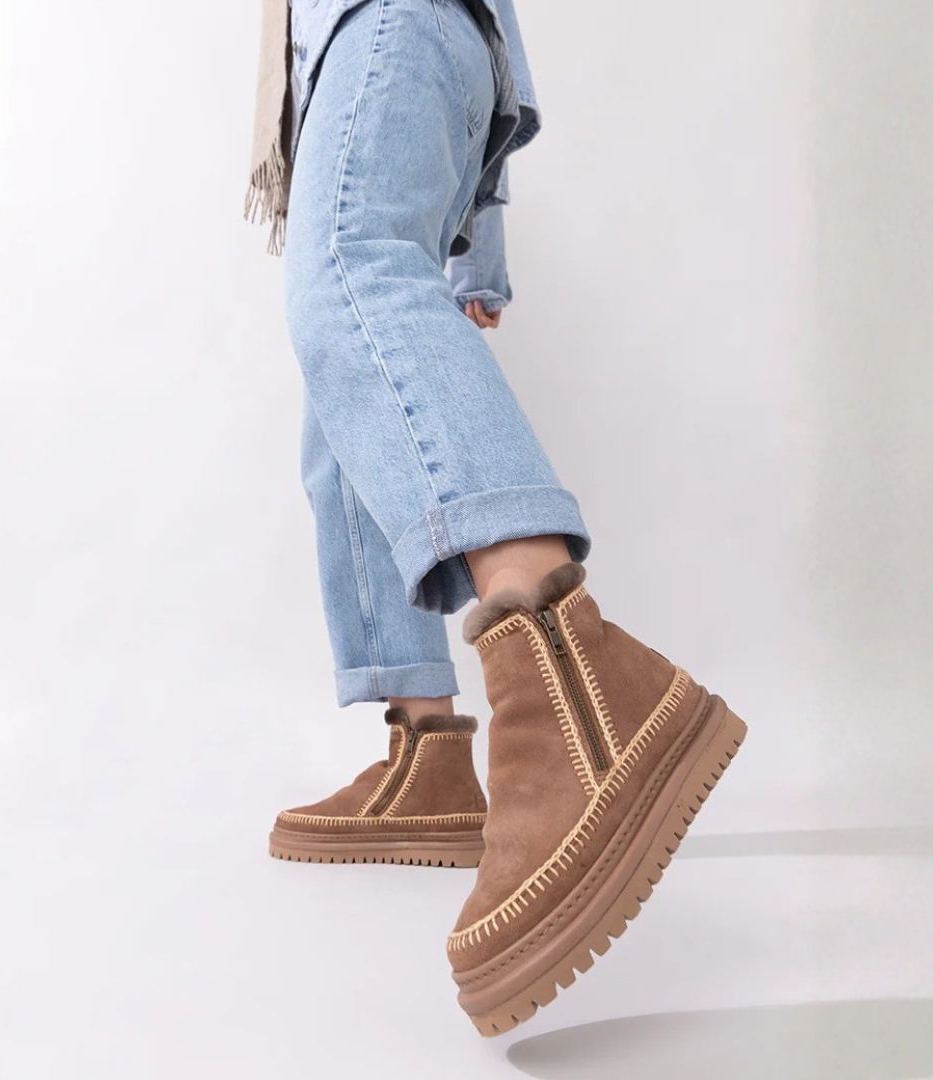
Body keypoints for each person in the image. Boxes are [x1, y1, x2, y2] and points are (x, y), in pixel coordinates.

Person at [244, 0, 748, 1036]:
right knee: (347, 399)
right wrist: (480, 245)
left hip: (386, 22)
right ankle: (427, 750)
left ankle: (571, 669)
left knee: (350, 274)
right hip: (399, 46)